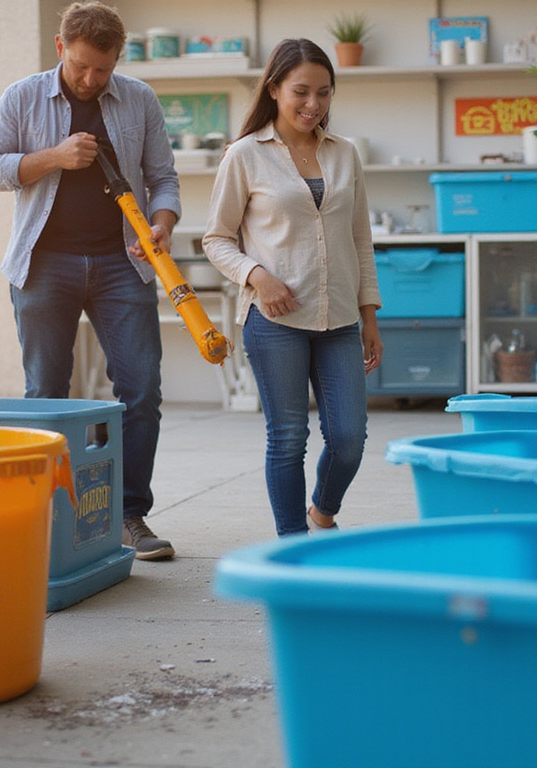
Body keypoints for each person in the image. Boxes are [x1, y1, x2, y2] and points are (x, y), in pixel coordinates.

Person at [0, 1, 178, 560]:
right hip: (43, 264)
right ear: (61, 48)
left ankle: (129, 516)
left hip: (123, 265)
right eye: (81, 66)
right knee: (46, 394)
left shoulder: (140, 99)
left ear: (117, 60)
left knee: (141, 390)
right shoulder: (22, 97)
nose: (90, 80)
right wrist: (53, 157)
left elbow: (163, 179)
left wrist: (161, 223)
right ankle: (48, 516)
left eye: (102, 70)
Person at [202, 38, 383, 537]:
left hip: (340, 317)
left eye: (323, 93)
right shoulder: (245, 155)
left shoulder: (345, 154)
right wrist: (257, 276)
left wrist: (369, 316)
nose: (313, 104)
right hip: (274, 322)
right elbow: (216, 239)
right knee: (287, 439)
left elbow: (360, 239)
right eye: (301, 91)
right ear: (274, 89)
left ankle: (322, 511)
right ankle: (292, 546)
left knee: (349, 439)